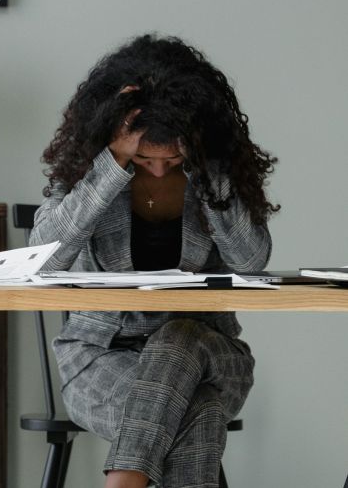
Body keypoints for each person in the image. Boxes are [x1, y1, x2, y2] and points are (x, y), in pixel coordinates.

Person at [29, 34, 279, 488]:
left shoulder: (210, 170)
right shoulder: (91, 168)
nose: (160, 170)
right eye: (145, 158)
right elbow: (44, 256)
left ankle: (123, 481)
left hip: (211, 356)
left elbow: (251, 261)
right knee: (196, 412)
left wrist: (205, 167)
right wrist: (113, 163)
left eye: (174, 158)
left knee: (179, 336)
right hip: (100, 360)